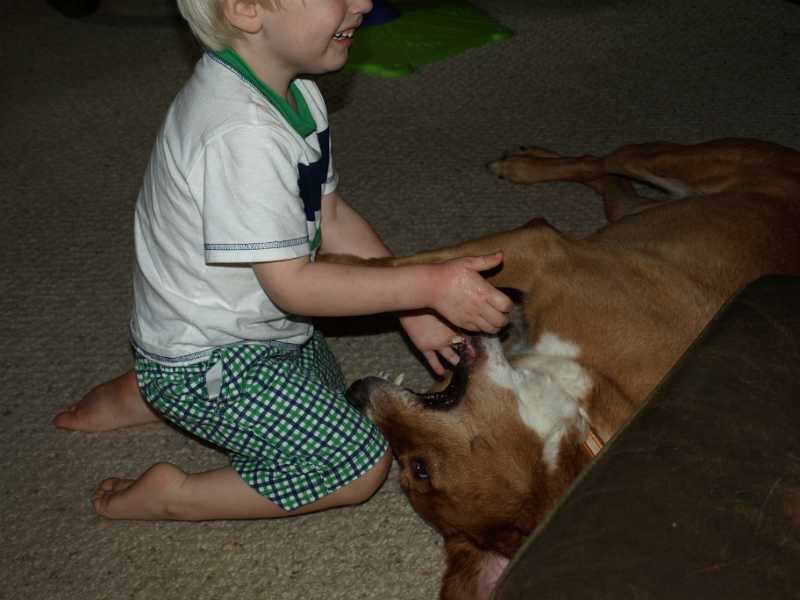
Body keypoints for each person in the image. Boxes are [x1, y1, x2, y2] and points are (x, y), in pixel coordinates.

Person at [54, 0, 511, 521]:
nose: (364, 3)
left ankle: (146, 392)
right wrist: (426, 286)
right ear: (247, 8)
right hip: (209, 356)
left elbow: (332, 218)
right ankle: (176, 492)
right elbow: (292, 286)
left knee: (326, 387)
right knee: (355, 463)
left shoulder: (296, 94)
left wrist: (412, 306)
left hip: (243, 330)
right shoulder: (242, 133)